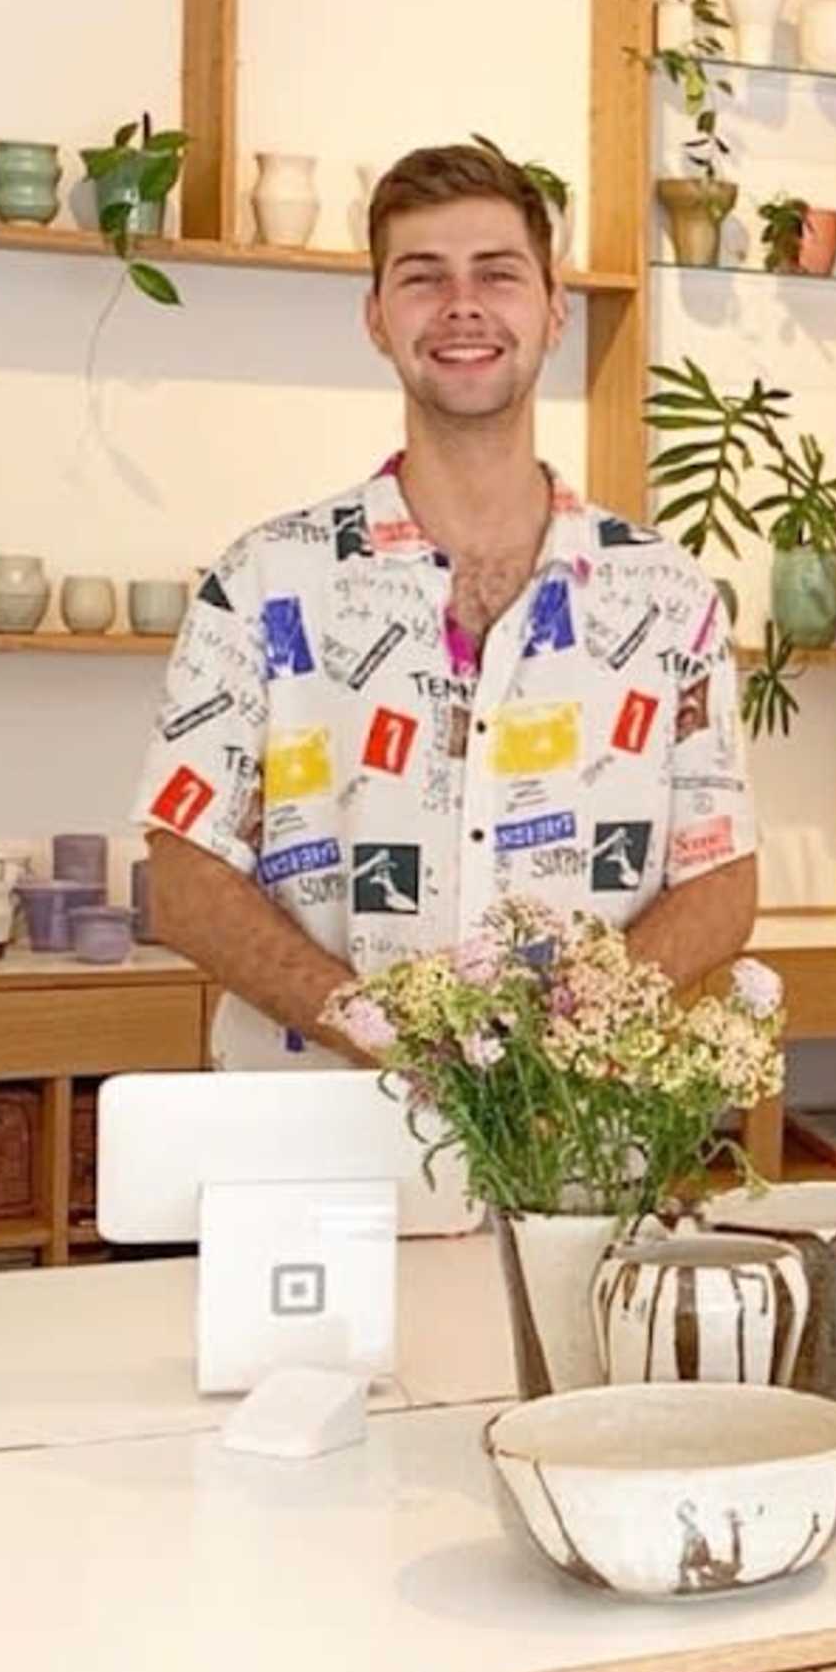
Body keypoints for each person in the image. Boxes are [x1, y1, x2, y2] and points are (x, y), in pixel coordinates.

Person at [137, 142, 759, 1064]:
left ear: (554, 310)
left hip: (569, 1123)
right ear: (376, 318)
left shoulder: (667, 595)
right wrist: (378, 1031)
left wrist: (555, 1052)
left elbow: (721, 879)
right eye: (422, 277)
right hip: (316, 1118)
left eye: (498, 273)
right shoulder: (265, 582)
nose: (462, 304)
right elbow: (185, 878)